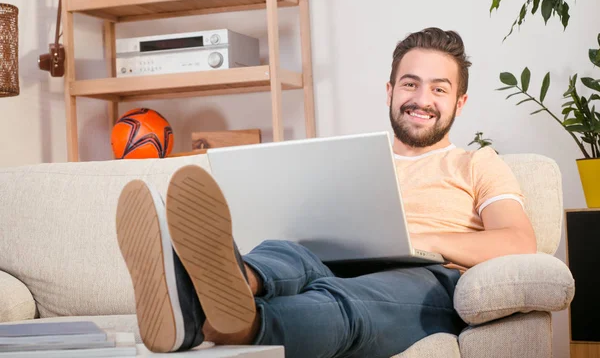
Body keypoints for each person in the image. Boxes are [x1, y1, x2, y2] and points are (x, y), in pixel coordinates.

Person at [115, 27, 537, 358]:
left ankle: (221, 321)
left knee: (344, 302)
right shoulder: (351, 160)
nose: (421, 99)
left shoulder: (477, 163)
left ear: (460, 103)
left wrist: (424, 241)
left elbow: (519, 241)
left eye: (438, 89)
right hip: (337, 258)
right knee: (287, 250)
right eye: (410, 84)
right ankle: (232, 280)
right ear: (390, 92)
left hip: (424, 280)